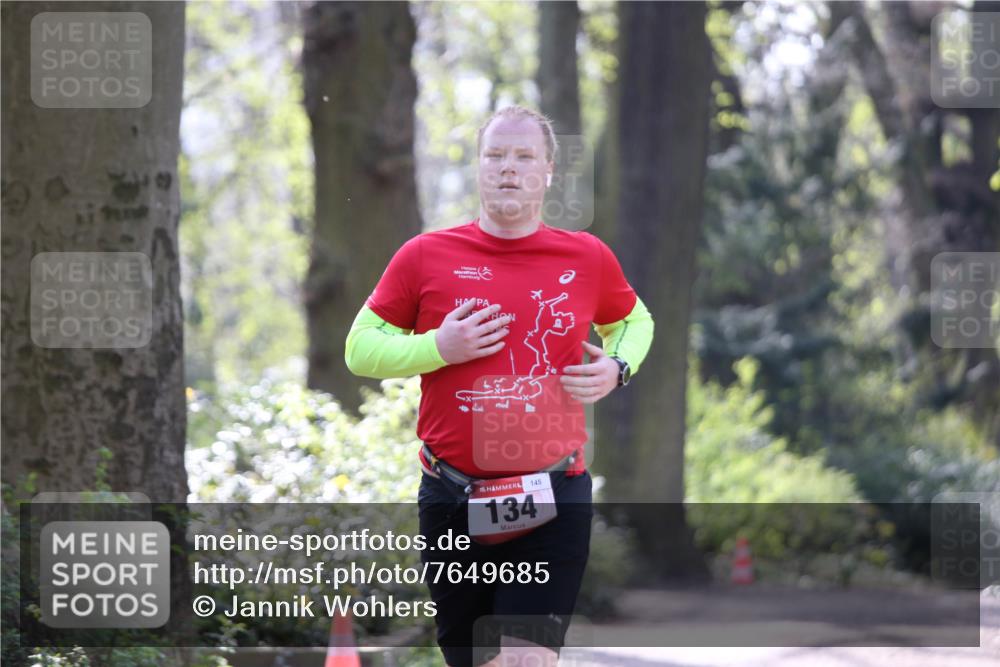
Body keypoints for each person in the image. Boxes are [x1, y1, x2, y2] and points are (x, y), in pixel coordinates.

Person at [345, 105, 653, 667]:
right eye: (495, 155)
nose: (508, 167)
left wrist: (617, 366)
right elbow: (359, 349)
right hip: (451, 496)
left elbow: (635, 321)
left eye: (524, 156)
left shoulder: (586, 256)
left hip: (552, 494)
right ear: (479, 167)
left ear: (548, 171)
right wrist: (439, 346)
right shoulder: (424, 256)